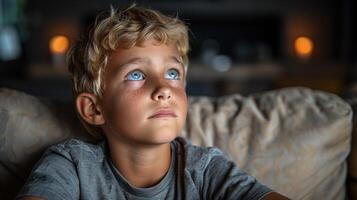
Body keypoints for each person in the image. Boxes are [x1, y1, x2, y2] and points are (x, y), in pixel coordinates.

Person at [17, 4, 289, 200]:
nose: (164, 89)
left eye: (172, 74)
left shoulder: (205, 169)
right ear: (95, 109)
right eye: (136, 74)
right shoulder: (72, 165)